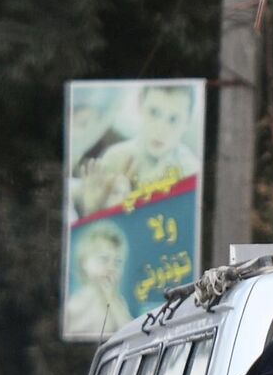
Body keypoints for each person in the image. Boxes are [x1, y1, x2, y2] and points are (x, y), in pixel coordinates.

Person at [76, 84, 202, 216]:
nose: (160, 130)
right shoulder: (114, 158)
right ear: (140, 106)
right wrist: (92, 208)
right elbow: (94, 227)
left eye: (173, 119)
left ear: (187, 122)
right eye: (154, 112)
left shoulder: (192, 173)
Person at [63, 221, 134, 336]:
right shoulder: (77, 304)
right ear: (84, 263)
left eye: (117, 262)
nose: (111, 267)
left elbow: (131, 332)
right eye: (104, 259)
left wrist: (112, 300)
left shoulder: (118, 302)